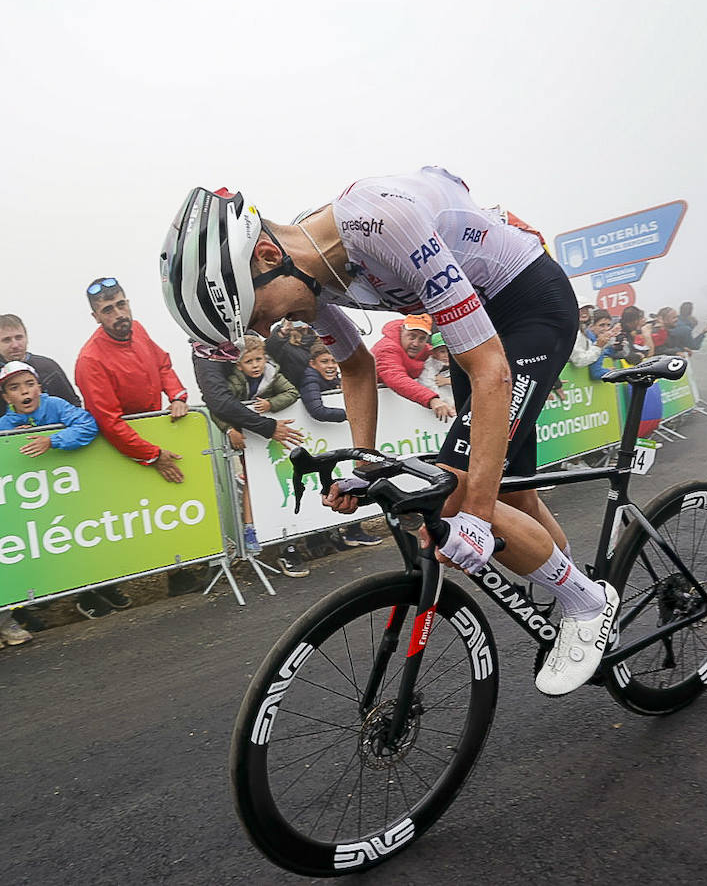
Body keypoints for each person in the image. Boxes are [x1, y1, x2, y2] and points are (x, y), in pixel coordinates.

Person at [161, 166, 619, 696]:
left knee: (459, 491)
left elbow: (491, 370)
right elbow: (355, 367)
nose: (266, 332)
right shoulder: (314, 274)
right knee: (511, 489)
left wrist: (471, 515)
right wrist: (363, 465)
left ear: (267, 257)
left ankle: (587, 604)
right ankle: (571, 589)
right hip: (481, 323)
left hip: (528, 304)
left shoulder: (380, 222)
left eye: (255, 315)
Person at [0, 360, 117, 624]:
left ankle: (86, 595)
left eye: (29, 384)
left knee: (75, 544)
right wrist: (10, 442)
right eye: (15, 388)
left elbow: (88, 426)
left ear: (39, 386)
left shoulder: (56, 405)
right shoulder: (3, 424)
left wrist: (52, 440)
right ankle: (27, 608)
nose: (25, 392)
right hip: (27, 503)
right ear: (5, 396)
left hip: (65, 495)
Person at [210, 336, 309, 577]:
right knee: (252, 486)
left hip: (272, 441)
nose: (256, 365)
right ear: (238, 364)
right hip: (247, 441)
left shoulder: (272, 374)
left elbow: (292, 392)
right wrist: (229, 430)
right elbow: (218, 408)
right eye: (249, 361)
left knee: (280, 484)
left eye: (259, 359)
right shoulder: (233, 381)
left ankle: (290, 534)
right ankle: (250, 529)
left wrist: (271, 404)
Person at [75, 277, 190, 483]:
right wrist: (153, 455)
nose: (119, 314)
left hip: (156, 432)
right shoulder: (89, 360)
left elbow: (162, 364)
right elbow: (109, 422)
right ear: (96, 317)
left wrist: (177, 397)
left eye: (121, 305)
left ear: (128, 303)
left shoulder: (138, 329)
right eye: (108, 310)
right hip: (123, 452)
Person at [295, 343, 384, 549]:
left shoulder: (334, 379)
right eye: (325, 361)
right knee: (332, 490)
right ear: (312, 364)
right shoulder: (310, 379)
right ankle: (319, 542)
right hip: (317, 446)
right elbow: (317, 409)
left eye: (334, 361)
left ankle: (351, 532)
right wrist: (352, 414)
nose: (331, 366)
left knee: (351, 484)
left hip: (341, 445)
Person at [0, 313, 82, 421]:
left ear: (26, 337)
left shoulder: (48, 367)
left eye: (19, 337)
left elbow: (73, 404)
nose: (15, 345)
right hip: (10, 435)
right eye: (7, 340)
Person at [372, 314, 457, 421]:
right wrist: (432, 400)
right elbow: (396, 378)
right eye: (412, 336)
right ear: (402, 330)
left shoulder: (426, 350)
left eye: (422, 339)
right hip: (376, 408)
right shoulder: (386, 349)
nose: (416, 343)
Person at [265, 321, 313, 390]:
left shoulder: (317, 341)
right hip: (291, 390)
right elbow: (270, 347)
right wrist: (283, 331)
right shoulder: (283, 345)